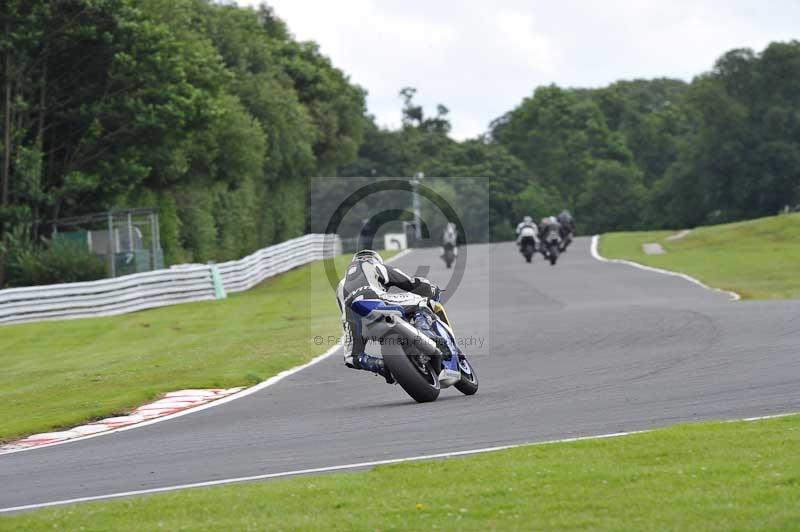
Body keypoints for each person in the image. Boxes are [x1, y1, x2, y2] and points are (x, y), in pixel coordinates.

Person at [335, 250, 450, 382]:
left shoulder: (340, 286)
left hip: (355, 318)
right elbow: (410, 282)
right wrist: (431, 289)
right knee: (421, 302)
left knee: (352, 357)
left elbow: (344, 312)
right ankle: (428, 334)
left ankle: (381, 366)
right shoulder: (374, 265)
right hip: (375, 299)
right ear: (375, 259)